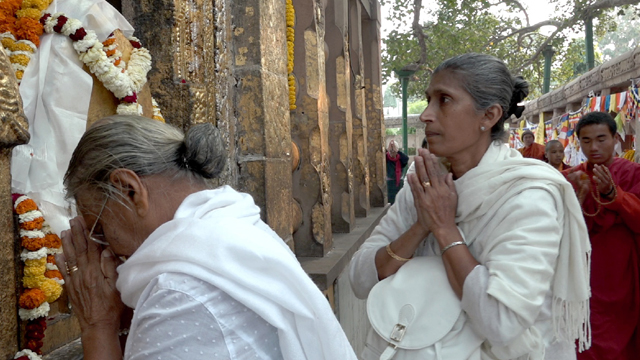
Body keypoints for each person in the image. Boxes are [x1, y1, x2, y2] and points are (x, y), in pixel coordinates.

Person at [349, 53, 591, 360]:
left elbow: (502, 321)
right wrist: (421, 225)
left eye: (444, 100)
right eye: (428, 99)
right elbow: (359, 279)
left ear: (489, 116)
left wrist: (444, 228)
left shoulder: (528, 196)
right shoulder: (425, 185)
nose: (426, 114)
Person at [56, 115, 357, 360]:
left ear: (128, 190)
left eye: (99, 229)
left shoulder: (180, 296)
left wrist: (98, 327)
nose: (102, 248)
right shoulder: (234, 230)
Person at [563, 111, 640, 360]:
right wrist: (577, 197)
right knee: (582, 326)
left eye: (601, 139)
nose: (593, 147)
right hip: (579, 264)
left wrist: (614, 195)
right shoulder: (570, 177)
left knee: (617, 328)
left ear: (615, 138)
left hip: (619, 266)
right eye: (586, 141)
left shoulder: (633, 173)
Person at [386, 139, 409, 204]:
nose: (392, 152)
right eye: (390, 151)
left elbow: (406, 158)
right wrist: (390, 147)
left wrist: (397, 150)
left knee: (399, 202)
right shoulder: (386, 158)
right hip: (389, 183)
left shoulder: (401, 159)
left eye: (394, 151)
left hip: (399, 183)